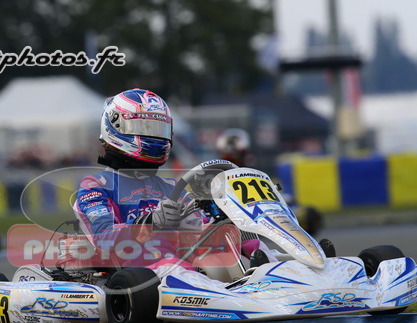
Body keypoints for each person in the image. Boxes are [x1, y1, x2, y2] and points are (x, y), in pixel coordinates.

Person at [73, 89, 271, 271]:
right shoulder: (96, 186)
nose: (154, 136)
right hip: (136, 270)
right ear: (116, 126)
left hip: (179, 263)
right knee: (177, 268)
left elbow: (199, 229)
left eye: (158, 129)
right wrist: (151, 222)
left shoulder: (171, 187)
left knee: (251, 247)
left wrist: (222, 219)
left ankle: (278, 283)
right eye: (145, 128)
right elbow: (104, 236)